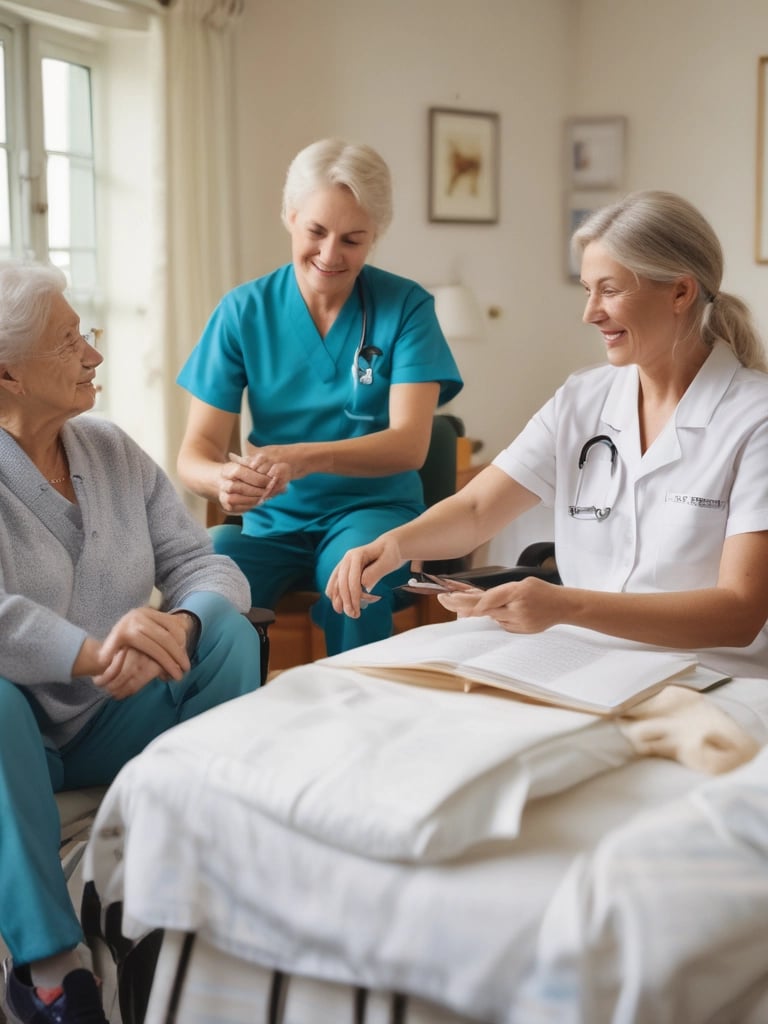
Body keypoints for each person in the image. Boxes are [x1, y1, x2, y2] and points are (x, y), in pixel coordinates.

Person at [327, 190, 768, 680]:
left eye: (611, 290)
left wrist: (565, 606)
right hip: (580, 662)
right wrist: (395, 545)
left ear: (680, 293)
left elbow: (740, 612)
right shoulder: (582, 399)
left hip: (709, 676)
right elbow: (476, 511)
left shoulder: (755, 419)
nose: (590, 313)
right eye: (587, 290)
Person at [0, 262, 264, 1024]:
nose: (94, 355)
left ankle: (206, 862)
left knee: (226, 635)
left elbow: (202, 559)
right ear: (8, 371)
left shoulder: (110, 448)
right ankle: (50, 969)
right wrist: (89, 651)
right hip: (23, 735)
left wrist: (181, 622)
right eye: (70, 341)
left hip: (112, 719)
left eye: (88, 335)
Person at [176, 138, 462, 656]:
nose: (330, 255)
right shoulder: (243, 311)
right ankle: (209, 726)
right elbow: (194, 454)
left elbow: (409, 446)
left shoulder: (406, 308)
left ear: (376, 235)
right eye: (316, 231)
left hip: (373, 514)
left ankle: (354, 725)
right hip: (271, 526)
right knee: (206, 580)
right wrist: (222, 480)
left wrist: (306, 458)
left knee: (353, 577)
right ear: (289, 216)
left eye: (353, 239)